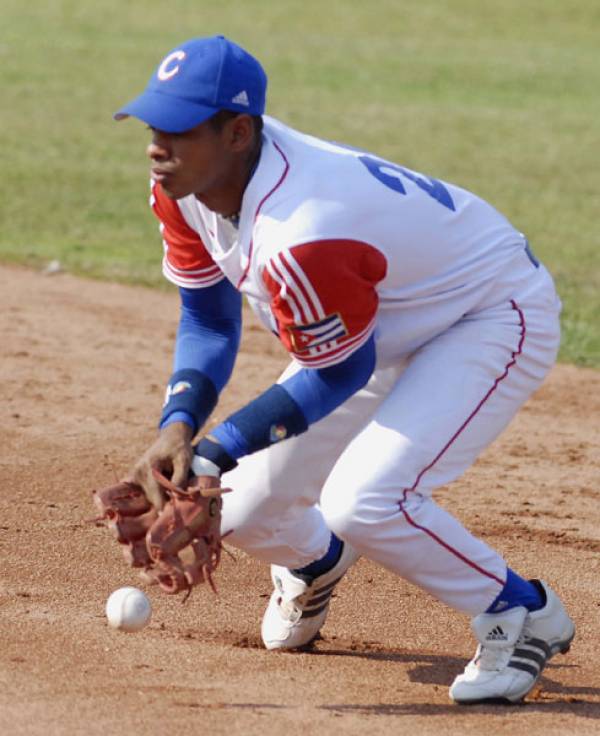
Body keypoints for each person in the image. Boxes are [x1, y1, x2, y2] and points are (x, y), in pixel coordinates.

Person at [113, 35, 575, 704]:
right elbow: (211, 320)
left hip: (487, 312)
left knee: (365, 500)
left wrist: (217, 451)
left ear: (237, 133)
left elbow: (338, 373)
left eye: (179, 132)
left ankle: (522, 612)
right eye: (156, 127)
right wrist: (179, 426)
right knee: (241, 514)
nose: (158, 147)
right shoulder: (185, 189)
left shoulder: (303, 232)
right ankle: (315, 562)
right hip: (383, 321)